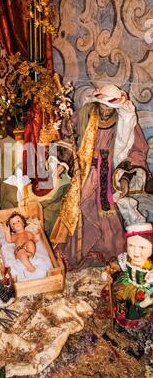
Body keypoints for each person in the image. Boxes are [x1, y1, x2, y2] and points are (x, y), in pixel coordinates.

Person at [50, 84, 150, 270]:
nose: (104, 111)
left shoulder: (124, 120)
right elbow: (67, 135)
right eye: (102, 106)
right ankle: (78, 253)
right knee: (81, 205)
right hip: (88, 169)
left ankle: (107, 252)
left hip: (111, 172)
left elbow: (137, 150)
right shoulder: (86, 113)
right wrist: (63, 161)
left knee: (107, 208)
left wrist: (125, 176)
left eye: (108, 108)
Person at [109, 223, 153, 327]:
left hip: (145, 291)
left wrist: (148, 300)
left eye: (142, 247)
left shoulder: (150, 269)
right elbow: (119, 266)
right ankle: (121, 319)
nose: (136, 251)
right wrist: (110, 271)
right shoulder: (126, 259)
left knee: (138, 309)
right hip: (127, 283)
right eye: (131, 246)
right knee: (121, 300)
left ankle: (138, 326)